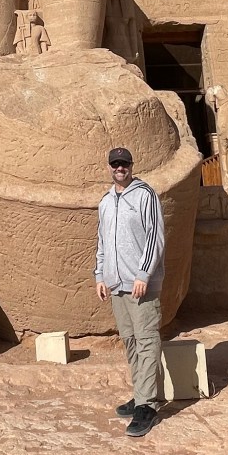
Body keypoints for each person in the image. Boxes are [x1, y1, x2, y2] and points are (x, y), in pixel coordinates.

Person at [94, 147, 165, 438]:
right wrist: (100, 276)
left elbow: (155, 237)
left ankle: (147, 404)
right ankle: (140, 395)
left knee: (147, 340)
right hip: (116, 285)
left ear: (131, 165)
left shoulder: (145, 195)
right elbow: (102, 241)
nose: (119, 168)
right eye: (115, 164)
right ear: (109, 167)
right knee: (131, 342)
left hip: (139, 284)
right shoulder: (106, 201)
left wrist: (143, 274)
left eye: (124, 163)